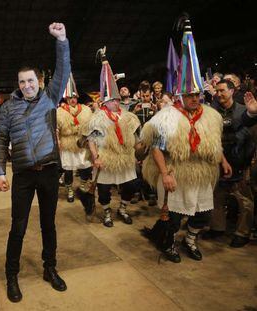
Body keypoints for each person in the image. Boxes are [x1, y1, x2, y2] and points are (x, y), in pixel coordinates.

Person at [141, 17, 227, 263]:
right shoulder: (166, 117)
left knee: (203, 213)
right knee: (174, 216)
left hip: (201, 173)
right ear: (180, 94)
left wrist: (223, 161)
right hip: (176, 173)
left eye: (198, 95)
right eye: (190, 95)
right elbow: (157, 149)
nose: (195, 99)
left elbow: (214, 142)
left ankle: (190, 239)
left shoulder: (210, 116)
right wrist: (165, 175)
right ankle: (168, 245)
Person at [0, 22, 70, 303]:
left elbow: (63, 70)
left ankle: (50, 268)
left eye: (31, 80)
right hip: (23, 175)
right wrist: (0, 172)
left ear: (39, 81)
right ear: (18, 84)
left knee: (48, 224)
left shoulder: (50, 98)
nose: (27, 85)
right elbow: (1, 140)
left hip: (49, 172)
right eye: (22, 81)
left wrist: (61, 40)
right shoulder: (8, 108)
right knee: (18, 226)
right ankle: (11, 276)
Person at [85, 46, 140, 227]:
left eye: (117, 99)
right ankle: (107, 211)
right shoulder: (97, 118)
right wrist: (95, 158)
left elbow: (134, 137)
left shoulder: (127, 116)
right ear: (105, 102)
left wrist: (137, 150)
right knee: (104, 189)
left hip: (124, 157)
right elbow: (91, 140)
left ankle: (122, 208)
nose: (116, 102)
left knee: (131, 185)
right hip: (105, 157)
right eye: (112, 100)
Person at [204, 80, 257, 247]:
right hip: (218, 161)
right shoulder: (211, 112)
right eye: (217, 91)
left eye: (223, 90)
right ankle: (217, 228)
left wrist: (252, 114)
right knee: (217, 197)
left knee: (244, 201)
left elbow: (249, 131)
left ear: (232, 91)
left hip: (241, 162)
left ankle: (242, 233)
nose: (219, 94)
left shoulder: (245, 109)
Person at [57, 72, 93, 203]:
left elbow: (90, 126)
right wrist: (58, 142)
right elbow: (56, 129)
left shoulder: (85, 110)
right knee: (68, 169)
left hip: (82, 142)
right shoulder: (60, 112)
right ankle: (69, 189)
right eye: (70, 98)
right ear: (66, 98)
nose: (72, 100)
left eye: (74, 97)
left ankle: (82, 185)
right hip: (67, 143)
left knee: (86, 166)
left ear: (77, 97)